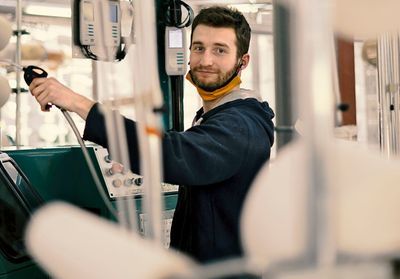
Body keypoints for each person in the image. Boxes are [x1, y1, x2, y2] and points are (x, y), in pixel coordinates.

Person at [29, 6, 274, 265]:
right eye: (199, 47)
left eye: (220, 50)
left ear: (242, 62)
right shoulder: (215, 116)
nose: (206, 60)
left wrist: (79, 103)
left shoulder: (241, 125)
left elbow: (174, 152)